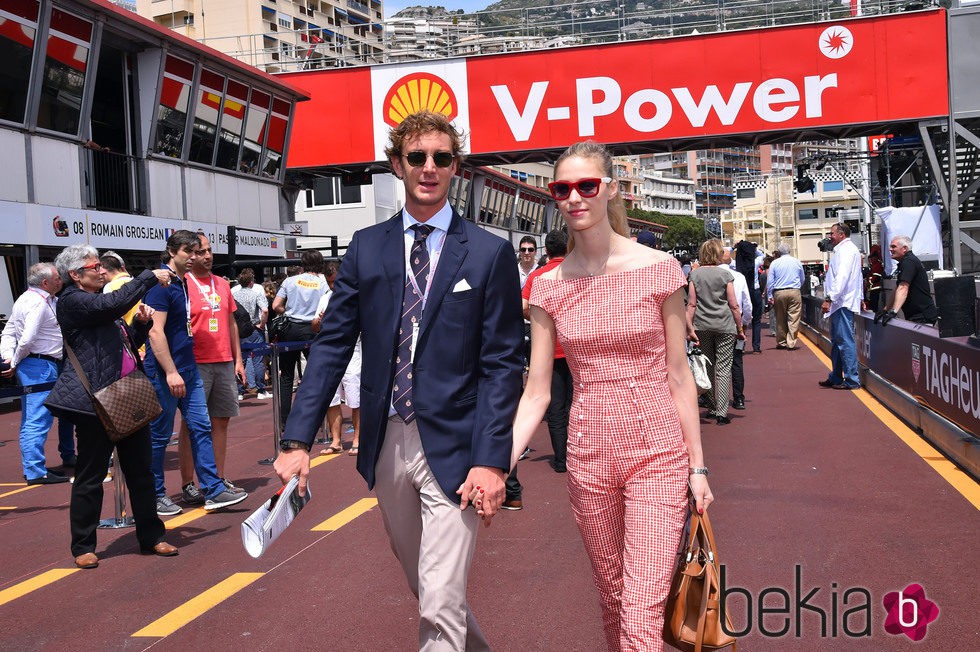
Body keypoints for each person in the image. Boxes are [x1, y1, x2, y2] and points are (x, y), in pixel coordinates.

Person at [273, 110, 523, 651]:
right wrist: (297, 441)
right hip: (384, 440)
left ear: (457, 167)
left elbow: (503, 363)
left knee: (438, 600)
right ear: (397, 165)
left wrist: (492, 458)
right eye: (417, 157)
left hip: (458, 445)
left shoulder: (488, 252)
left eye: (442, 158)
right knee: (431, 589)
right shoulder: (366, 246)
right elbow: (332, 345)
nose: (429, 168)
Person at [512, 141, 712, 651]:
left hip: (658, 451)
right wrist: (499, 462)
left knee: (643, 604)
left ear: (611, 189)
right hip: (588, 453)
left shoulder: (660, 268)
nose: (575, 197)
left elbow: (678, 374)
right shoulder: (546, 287)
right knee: (614, 597)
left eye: (587, 186)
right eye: (563, 189)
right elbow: (537, 391)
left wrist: (697, 466)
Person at [44, 244, 178, 568]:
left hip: (126, 394)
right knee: (90, 476)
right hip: (95, 403)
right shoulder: (74, 301)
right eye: (95, 266)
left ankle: (152, 537)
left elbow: (123, 343)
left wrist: (141, 326)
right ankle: (83, 546)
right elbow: (113, 303)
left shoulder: (98, 304)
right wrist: (148, 277)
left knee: (141, 473)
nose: (102, 271)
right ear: (75, 275)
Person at [144, 230, 248, 515]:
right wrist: (170, 371)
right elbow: (156, 332)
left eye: (197, 251)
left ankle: (213, 489)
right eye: (189, 251)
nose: (195, 257)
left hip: (189, 367)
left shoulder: (182, 284)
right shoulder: (161, 285)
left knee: (202, 427)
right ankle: (155, 494)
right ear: (172, 251)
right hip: (170, 370)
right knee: (160, 435)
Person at [176, 234, 247, 506]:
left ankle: (217, 479)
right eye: (201, 251)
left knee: (221, 421)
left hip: (224, 361)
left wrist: (238, 359)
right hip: (195, 363)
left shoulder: (221, 283)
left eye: (209, 250)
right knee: (192, 425)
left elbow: (230, 323)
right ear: (190, 255)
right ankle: (187, 483)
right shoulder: (182, 284)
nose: (207, 256)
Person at [0, 263, 75, 484]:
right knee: (37, 418)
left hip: (37, 364)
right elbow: (27, 338)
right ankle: (35, 470)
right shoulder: (39, 303)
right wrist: (13, 360)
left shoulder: (26, 299)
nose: (61, 280)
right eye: (56, 278)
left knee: (33, 416)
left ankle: (35, 467)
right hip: (40, 364)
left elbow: (9, 331)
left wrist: (8, 357)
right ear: (45, 283)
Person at [522, 229, 570, 473]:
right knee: (581, 404)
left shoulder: (538, 276)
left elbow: (525, 307)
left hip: (549, 349)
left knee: (556, 407)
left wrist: (542, 321)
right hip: (578, 348)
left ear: (546, 251)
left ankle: (562, 459)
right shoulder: (577, 271)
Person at [688, 239, 744, 425]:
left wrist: (689, 327)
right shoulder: (725, 275)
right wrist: (740, 328)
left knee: (708, 366)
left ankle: (711, 407)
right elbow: (734, 305)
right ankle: (721, 411)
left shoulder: (694, 276)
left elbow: (691, 304)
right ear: (717, 254)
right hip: (725, 326)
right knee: (723, 368)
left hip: (702, 326)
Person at [271, 250, 327, 430]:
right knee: (315, 375)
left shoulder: (290, 281)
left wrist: (288, 311)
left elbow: (275, 305)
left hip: (291, 328)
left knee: (286, 375)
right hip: (314, 328)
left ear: (303, 263)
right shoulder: (323, 282)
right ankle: (314, 419)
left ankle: (285, 421)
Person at [820, 223, 863, 390]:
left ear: (841, 234)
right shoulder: (845, 250)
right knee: (838, 342)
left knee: (845, 341)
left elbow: (843, 277)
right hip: (841, 302)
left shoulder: (845, 251)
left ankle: (852, 379)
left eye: (832, 233)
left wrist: (830, 298)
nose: (829, 236)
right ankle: (837, 376)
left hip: (841, 302)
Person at [878, 235, 938, 326]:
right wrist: (885, 310)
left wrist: (893, 312)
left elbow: (903, 288)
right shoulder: (905, 262)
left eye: (894, 246)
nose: (890, 249)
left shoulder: (909, 262)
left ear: (904, 248)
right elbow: (897, 289)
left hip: (922, 317)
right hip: (915, 316)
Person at [721, 247, 752, 411]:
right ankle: (738, 398)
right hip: (734, 323)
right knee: (736, 362)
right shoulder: (739, 277)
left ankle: (713, 400)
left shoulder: (704, 274)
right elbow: (747, 304)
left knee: (712, 363)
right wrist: (744, 324)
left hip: (710, 322)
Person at [232, 268, 271, 399]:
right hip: (254, 328)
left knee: (240, 360)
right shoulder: (256, 294)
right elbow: (265, 310)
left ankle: (240, 391)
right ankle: (261, 390)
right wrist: (262, 324)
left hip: (238, 330)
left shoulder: (233, 295)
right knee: (258, 360)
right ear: (251, 282)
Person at [765, 242, 806, 350]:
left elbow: (770, 281)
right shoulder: (797, 262)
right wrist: (797, 287)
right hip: (794, 291)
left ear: (778, 252)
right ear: (789, 251)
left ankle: (781, 341)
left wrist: (770, 295)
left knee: (780, 317)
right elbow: (802, 278)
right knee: (794, 317)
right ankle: (791, 342)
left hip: (779, 292)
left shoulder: (774, 263)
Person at [734, 240, 763, 353]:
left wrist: (735, 247)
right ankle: (756, 347)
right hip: (755, 291)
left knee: (741, 320)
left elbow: (726, 253)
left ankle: (741, 347)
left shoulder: (735, 264)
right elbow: (762, 255)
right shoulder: (756, 262)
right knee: (756, 320)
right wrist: (754, 247)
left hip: (742, 293)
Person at [865, 244, 884, 313]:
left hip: (876, 287)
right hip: (873, 288)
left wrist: (869, 282)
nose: (871, 259)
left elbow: (875, 276)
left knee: (874, 304)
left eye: (873, 257)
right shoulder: (874, 265)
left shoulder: (878, 265)